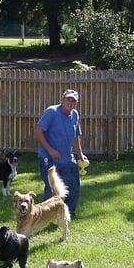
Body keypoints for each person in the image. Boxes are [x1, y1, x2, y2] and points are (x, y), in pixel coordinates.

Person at [34, 89, 88, 219]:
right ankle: (47, 216)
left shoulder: (74, 114)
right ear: (62, 100)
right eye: (68, 99)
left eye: (73, 100)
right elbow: (38, 131)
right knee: (52, 188)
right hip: (49, 158)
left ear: (76, 103)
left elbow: (76, 136)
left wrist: (80, 154)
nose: (70, 102)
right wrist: (50, 150)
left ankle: (69, 214)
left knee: (73, 186)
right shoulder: (51, 112)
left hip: (67, 158)